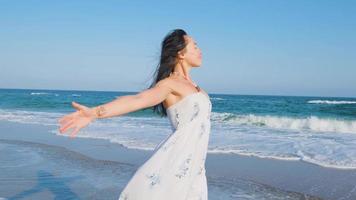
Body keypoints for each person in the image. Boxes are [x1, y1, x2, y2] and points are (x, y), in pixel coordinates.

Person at [58, 29, 212, 200]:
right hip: (176, 161)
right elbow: (138, 100)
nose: (200, 50)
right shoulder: (169, 84)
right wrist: (94, 113)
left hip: (195, 166)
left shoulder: (197, 87)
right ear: (180, 53)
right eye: (195, 46)